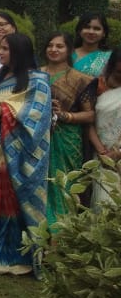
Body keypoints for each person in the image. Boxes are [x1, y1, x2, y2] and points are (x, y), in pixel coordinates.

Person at [0, 33, 52, 276]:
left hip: (18, 153)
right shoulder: (1, 76)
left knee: (11, 201)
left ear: (19, 51)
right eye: (0, 48)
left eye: (5, 49)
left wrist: (5, 109)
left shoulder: (38, 80)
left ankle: (12, 257)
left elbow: (37, 115)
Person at [40, 32, 97, 222]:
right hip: (38, 136)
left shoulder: (81, 79)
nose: (53, 49)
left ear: (69, 50)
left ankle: (62, 231)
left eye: (59, 46)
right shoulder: (35, 74)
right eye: (50, 45)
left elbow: (90, 115)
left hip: (67, 139)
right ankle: (39, 229)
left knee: (65, 184)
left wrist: (64, 115)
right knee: (39, 183)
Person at [88, 50, 121, 209]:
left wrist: (117, 153)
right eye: (119, 71)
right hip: (101, 153)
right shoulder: (98, 85)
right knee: (104, 205)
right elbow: (89, 121)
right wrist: (102, 152)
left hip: (117, 152)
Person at [73, 12, 111, 77]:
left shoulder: (109, 57)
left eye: (97, 29)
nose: (91, 32)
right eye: (87, 27)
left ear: (104, 33)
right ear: (79, 30)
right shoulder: (67, 54)